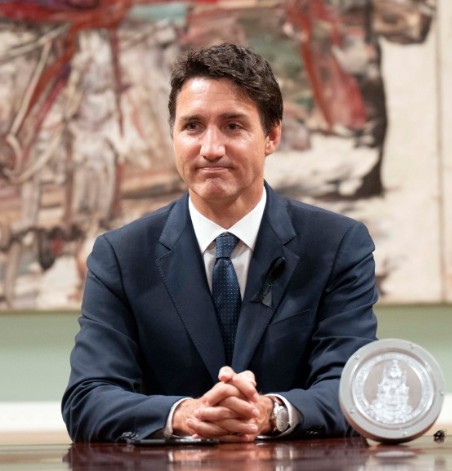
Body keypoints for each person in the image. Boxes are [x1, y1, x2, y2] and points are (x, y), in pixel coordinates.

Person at [62, 43, 379, 442]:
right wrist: (184, 414)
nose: (211, 149)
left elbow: (352, 388)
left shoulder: (336, 246)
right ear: (173, 135)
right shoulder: (121, 257)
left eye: (233, 126)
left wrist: (271, 412)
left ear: (272, 135)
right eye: (192, 126)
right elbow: (87, 399)